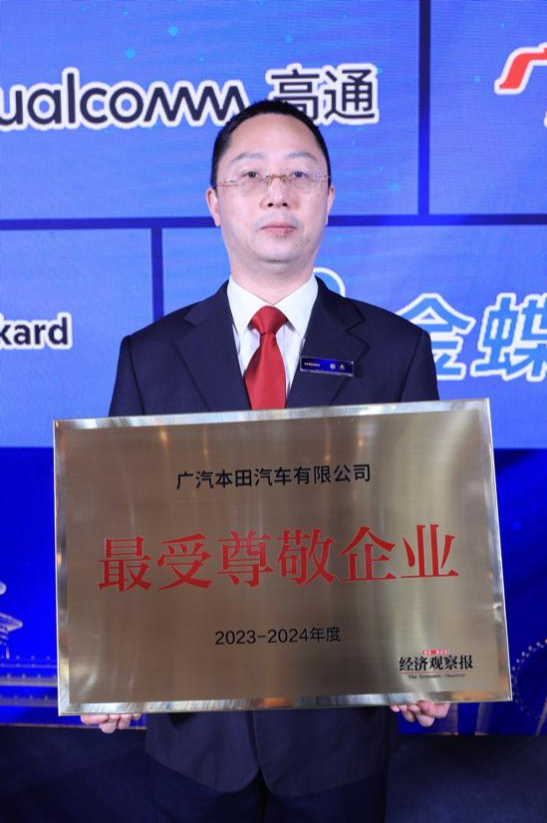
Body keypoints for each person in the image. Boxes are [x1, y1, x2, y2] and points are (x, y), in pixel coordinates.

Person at [82, 99, 449, 821]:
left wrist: (430, 654)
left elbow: (422, 522)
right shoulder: (150, 356)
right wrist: (110, 663)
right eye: (251, 175)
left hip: (337, 735)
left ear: (328, 198)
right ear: (215, 204)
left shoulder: (397, 350)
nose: (277, 192)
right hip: (194, 734)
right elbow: (121, 523)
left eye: (299, 174)